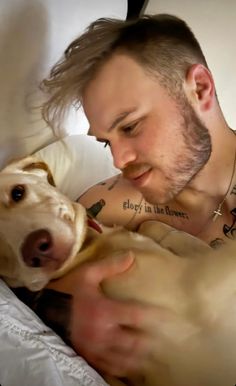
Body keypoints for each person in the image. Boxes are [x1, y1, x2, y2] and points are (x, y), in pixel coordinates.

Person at [40, 14, 236, 378]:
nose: (118, 159)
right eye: (105, 142)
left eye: (130, 127)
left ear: (200, 89)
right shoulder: (109, 207)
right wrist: (67, 305)